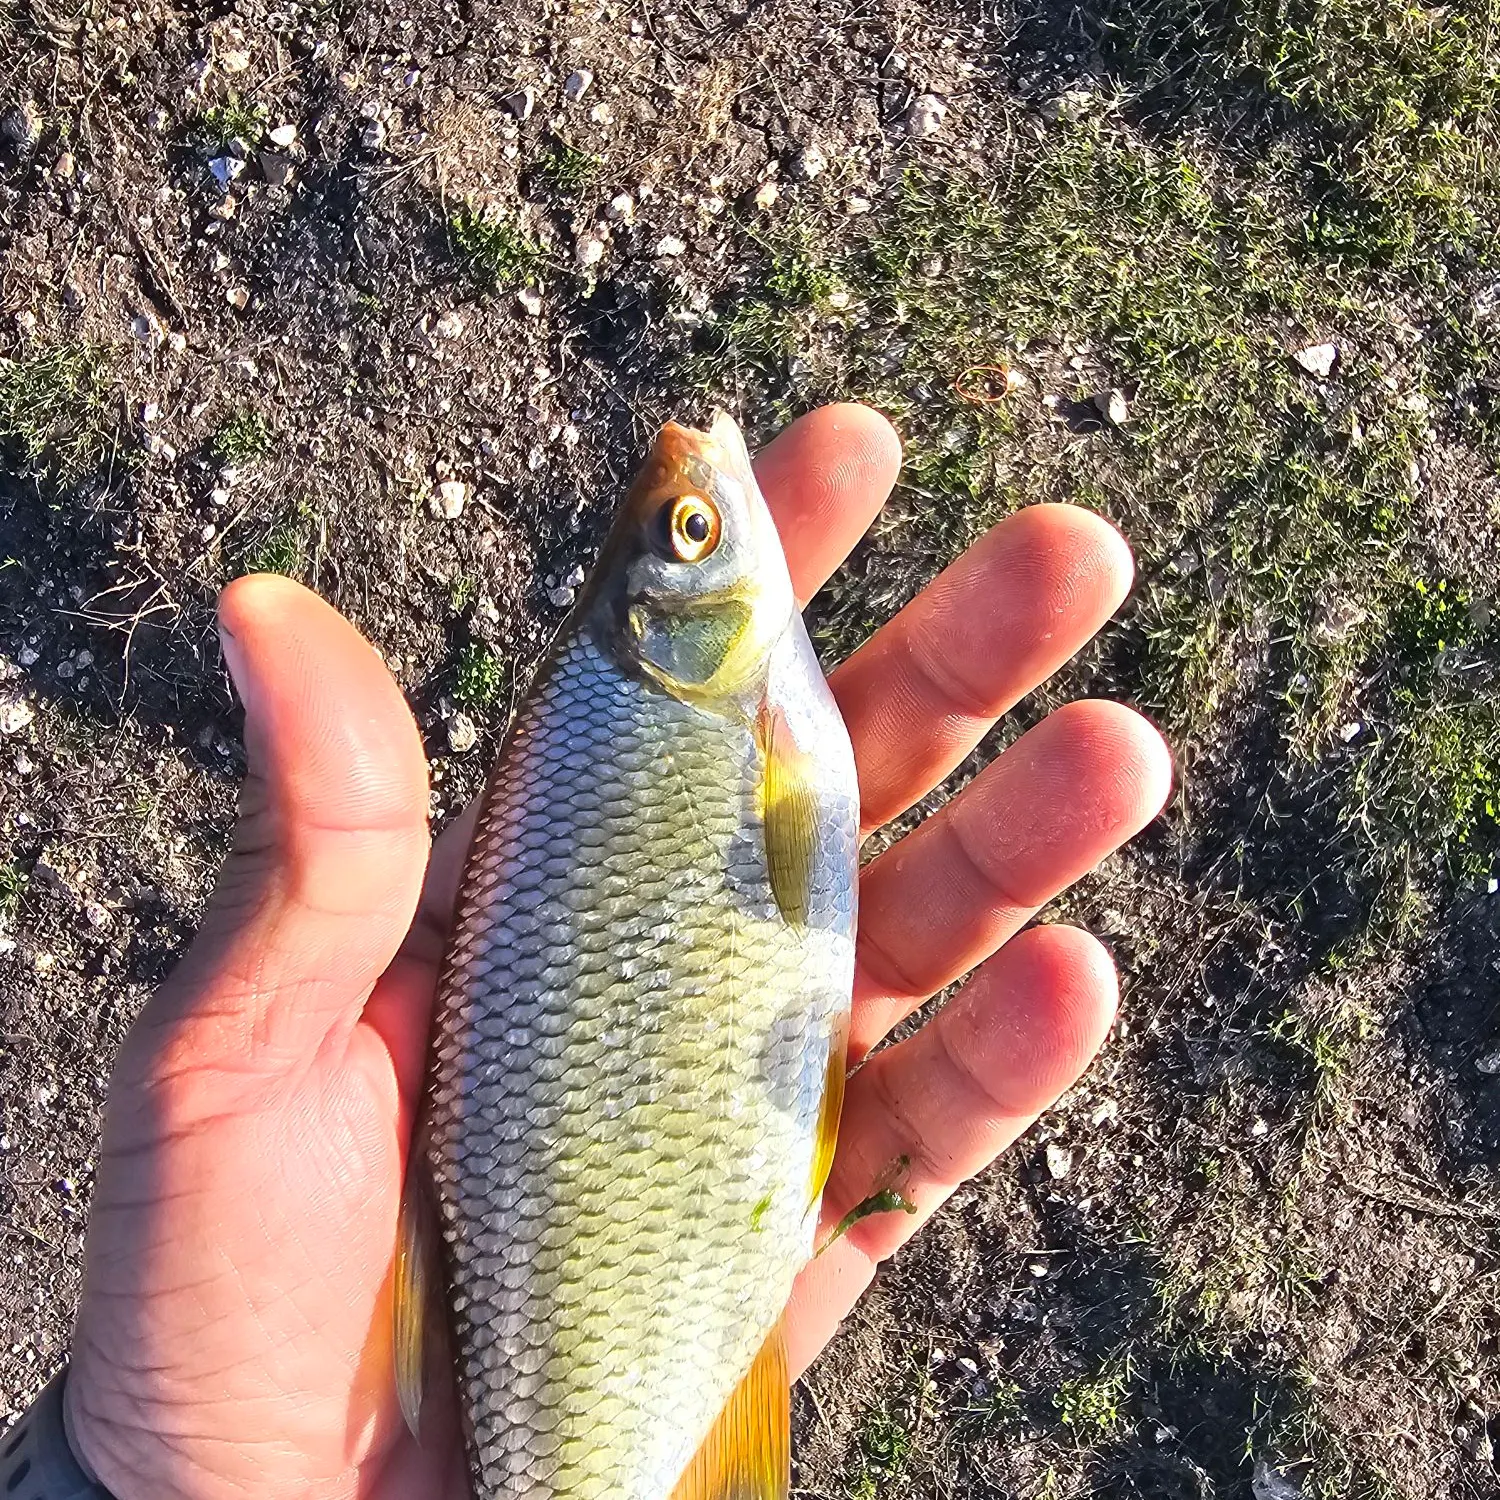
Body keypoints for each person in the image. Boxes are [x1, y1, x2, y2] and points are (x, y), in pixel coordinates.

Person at [4, 405, 1171, 1499]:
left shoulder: (646, 705)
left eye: (688, 527)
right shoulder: (668, 706)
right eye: (692, 531)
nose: (704, 498)